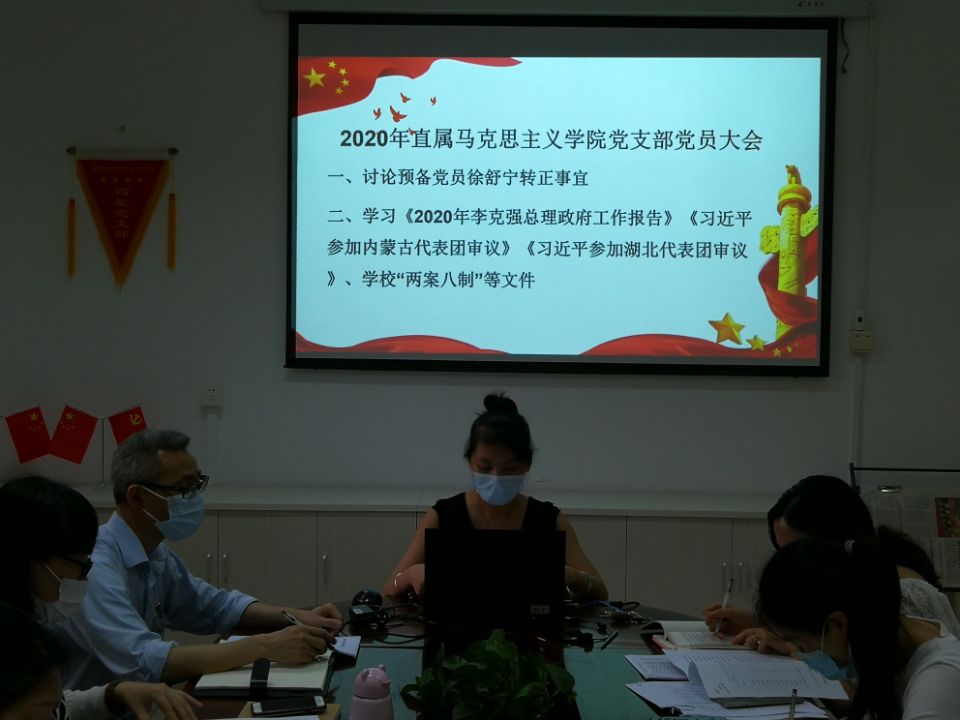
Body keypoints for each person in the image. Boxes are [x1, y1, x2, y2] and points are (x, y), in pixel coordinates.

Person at [58, 429, 342, 688]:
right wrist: (265, 647)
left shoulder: (154, 554)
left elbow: (213, 606)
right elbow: (145, 661)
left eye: (198, 484)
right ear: (138, 497)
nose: (195, 498)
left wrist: (294, 616)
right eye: (184, 488)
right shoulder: (94, 568)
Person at [0, 478, 200, 720]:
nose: (84, 578)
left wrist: (115, 694)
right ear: (27, 558)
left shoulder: (24, 629)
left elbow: (52, 709)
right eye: (80, 565)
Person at [385, 393, 608, 601]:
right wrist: (409, 575)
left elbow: (602, 592)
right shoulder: (442, 516)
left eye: (510, 468)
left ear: (527, 465)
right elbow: (389, 590)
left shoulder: (549, 520)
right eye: (485, 466)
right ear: (470, 461)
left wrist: (576, 578)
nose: (496, 476)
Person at [702, 474, 960, 649]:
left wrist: (790, 648)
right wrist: (764, 624)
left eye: (798, 551)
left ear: (839, 541)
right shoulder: (854, 579)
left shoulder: (902, 595)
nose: (790, 566)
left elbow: (869, 683)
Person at [756, 537, 960, 720]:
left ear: (836, 624)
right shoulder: (876, 643)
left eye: (803, 647)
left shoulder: (939, 680)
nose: (805, 658)